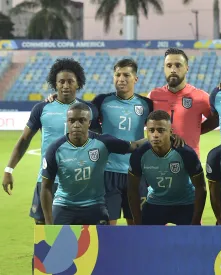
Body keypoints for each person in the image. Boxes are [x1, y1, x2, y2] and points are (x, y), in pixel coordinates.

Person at [2, 58, 99, 225]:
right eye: (61, 81)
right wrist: (8, 169)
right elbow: (24, 140)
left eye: (70, 81)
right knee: (43, 232)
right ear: (55, 84)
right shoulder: (42, 109)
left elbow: (99, 145)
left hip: (78, 181)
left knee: (81, 235)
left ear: (78, 84)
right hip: (47, 180)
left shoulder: (89, 110)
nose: (65, 85)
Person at [40, 103, 146, 225]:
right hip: (64, 205)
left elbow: (135, 145)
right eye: (72, 121)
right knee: (59, 244)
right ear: (67, 122)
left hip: (95, 205)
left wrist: (160, 138)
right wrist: (49, 223)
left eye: (82, 120)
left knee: (101, 243)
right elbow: (46, 187)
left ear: (89, 123)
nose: (76, 125)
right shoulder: (55, 149)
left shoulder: (103, 142)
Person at [90, 59, 153, 225]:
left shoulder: (146, 104)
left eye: (126, 75)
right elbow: (88, 125)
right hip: (108, 172)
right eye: (117, 74)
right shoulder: (101, 101)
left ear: (136, 79)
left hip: (136, 172)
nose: (121, 79)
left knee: (137, 224)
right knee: (107, 227)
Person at [127, 110, 207, 225]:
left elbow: (200, 187)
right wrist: (137, 221)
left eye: (161, 130)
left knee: (190, 241)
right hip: (156, 203)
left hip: (185, 204)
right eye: (151, 130)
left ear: (170, 132)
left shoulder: (186, 153)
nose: (155, 134)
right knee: (146, 241)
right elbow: (132, 190)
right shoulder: (139, 155)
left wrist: (195, 220)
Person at [148, 48, 219, 158]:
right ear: (164, 69)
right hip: (158, 161)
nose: (173, 70)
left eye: (178, 65)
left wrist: (197, 131)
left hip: (188, 161)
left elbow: (216, 119)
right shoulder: (153, 96)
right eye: (169, 65)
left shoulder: (200, 97)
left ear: (187, 68)